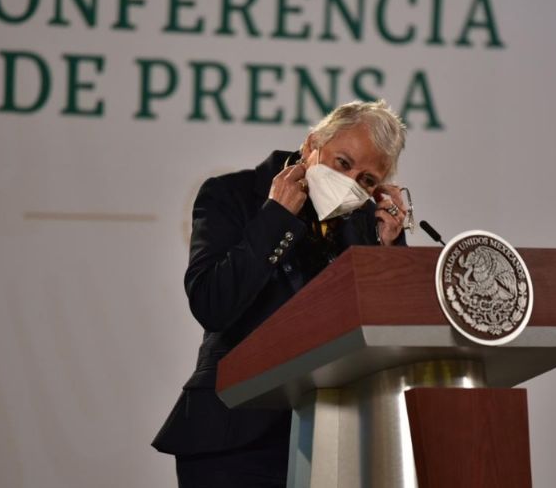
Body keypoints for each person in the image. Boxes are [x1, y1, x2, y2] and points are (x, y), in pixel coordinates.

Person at [151, 100, 409, 487]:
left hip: (340, 438)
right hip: (235, 439)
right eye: (343, 163)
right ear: (311, 146)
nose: (353, 182)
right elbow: (212, 304)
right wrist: (275, 218)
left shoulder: (368, 227)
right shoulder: (232, 194)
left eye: (368, 180)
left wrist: (388, 254)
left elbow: (391, 336)